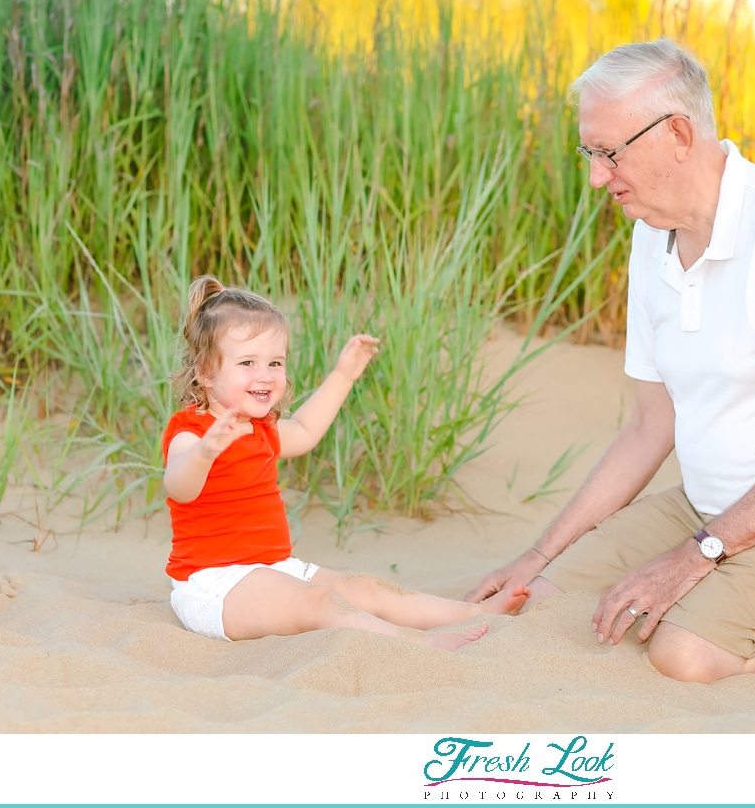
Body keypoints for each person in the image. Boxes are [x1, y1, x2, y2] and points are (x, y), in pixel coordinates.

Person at [467, 39, 755, 683]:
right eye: (589, 153)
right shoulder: (648, 236)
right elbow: (648, 429)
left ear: (678, 132)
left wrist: (695, 558)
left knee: (685, 655)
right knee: (538, 601)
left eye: (609, 153)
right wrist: (539, 554)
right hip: (711, 504)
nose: (598, 175)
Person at [163, 275, 528, 647]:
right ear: (206, 372)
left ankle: (473, 613)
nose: (265, 375)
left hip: (275, 569)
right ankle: (412, 644)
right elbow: (179, 485)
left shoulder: (260, 429)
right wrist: (206, 451)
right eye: (247, 362)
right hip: (214, 585)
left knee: (366, 588)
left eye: (275, 362)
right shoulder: (191, 432)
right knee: (320, 602)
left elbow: (305, 429)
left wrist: (344, 375)